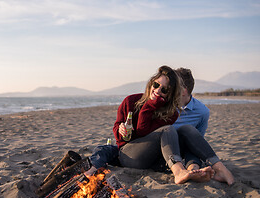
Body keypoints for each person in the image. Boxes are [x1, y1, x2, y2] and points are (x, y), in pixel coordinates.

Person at [87, 66, 234, 185]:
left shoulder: (170, 113)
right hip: (128, 155)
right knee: (168, 130)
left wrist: (151, 105)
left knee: (187, 129)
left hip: (154, 160)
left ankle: (219, 168)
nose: (157, 90)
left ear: (170, 94)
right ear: (151, 83)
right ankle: (179, 172)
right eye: (156, 85)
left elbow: (145, 131)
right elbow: (128, 134)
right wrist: (121, 130)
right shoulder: (130, 101)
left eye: (164, 89)